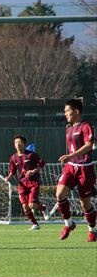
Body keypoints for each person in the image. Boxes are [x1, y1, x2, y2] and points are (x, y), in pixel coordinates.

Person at [55, 99, 96, 242]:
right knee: (60, 194)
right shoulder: (69, 128)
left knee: (85, 203)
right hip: (71, 167)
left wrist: (71, 155)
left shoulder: (86, 126)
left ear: (76, 111)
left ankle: (92, 230)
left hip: (85, 169)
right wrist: (70, 158)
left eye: (67, 111)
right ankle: (69, 224)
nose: (65, 113)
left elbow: (89, 145)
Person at [3, 135, 49, 230]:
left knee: (32, 205)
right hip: (22, 184)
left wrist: (34, 171)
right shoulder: (13, 158)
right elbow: (13, 171)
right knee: (25, 206)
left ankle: (43, 208)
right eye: (16, 142)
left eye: (20, 142)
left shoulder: (31, 155)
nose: (18, 144)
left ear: (24, 144)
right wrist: (8, 177)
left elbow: (42, 163)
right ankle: (35, 224)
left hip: (33, 182)